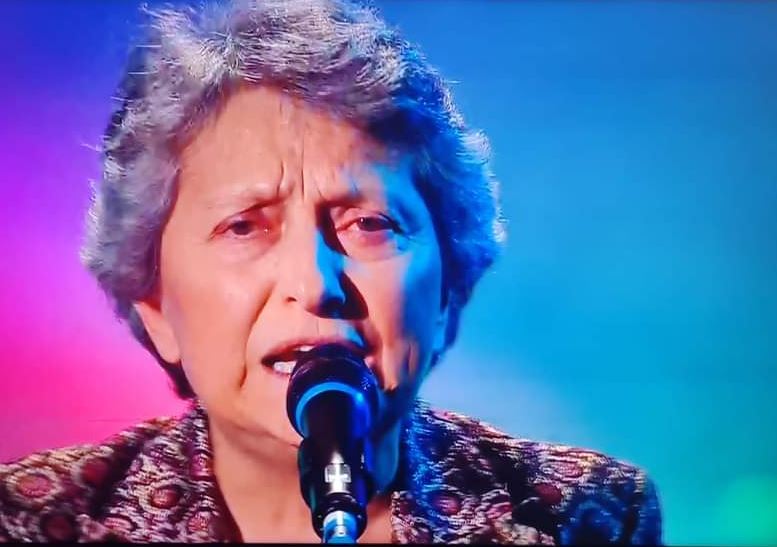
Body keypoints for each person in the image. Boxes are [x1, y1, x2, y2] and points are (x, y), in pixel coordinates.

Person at [0, 0, 662, 543]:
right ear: (153, 305)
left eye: (369, 224)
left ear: (447, 294)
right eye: (244, 226)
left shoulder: (581, 515)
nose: (315, 283)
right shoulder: (34, 521)